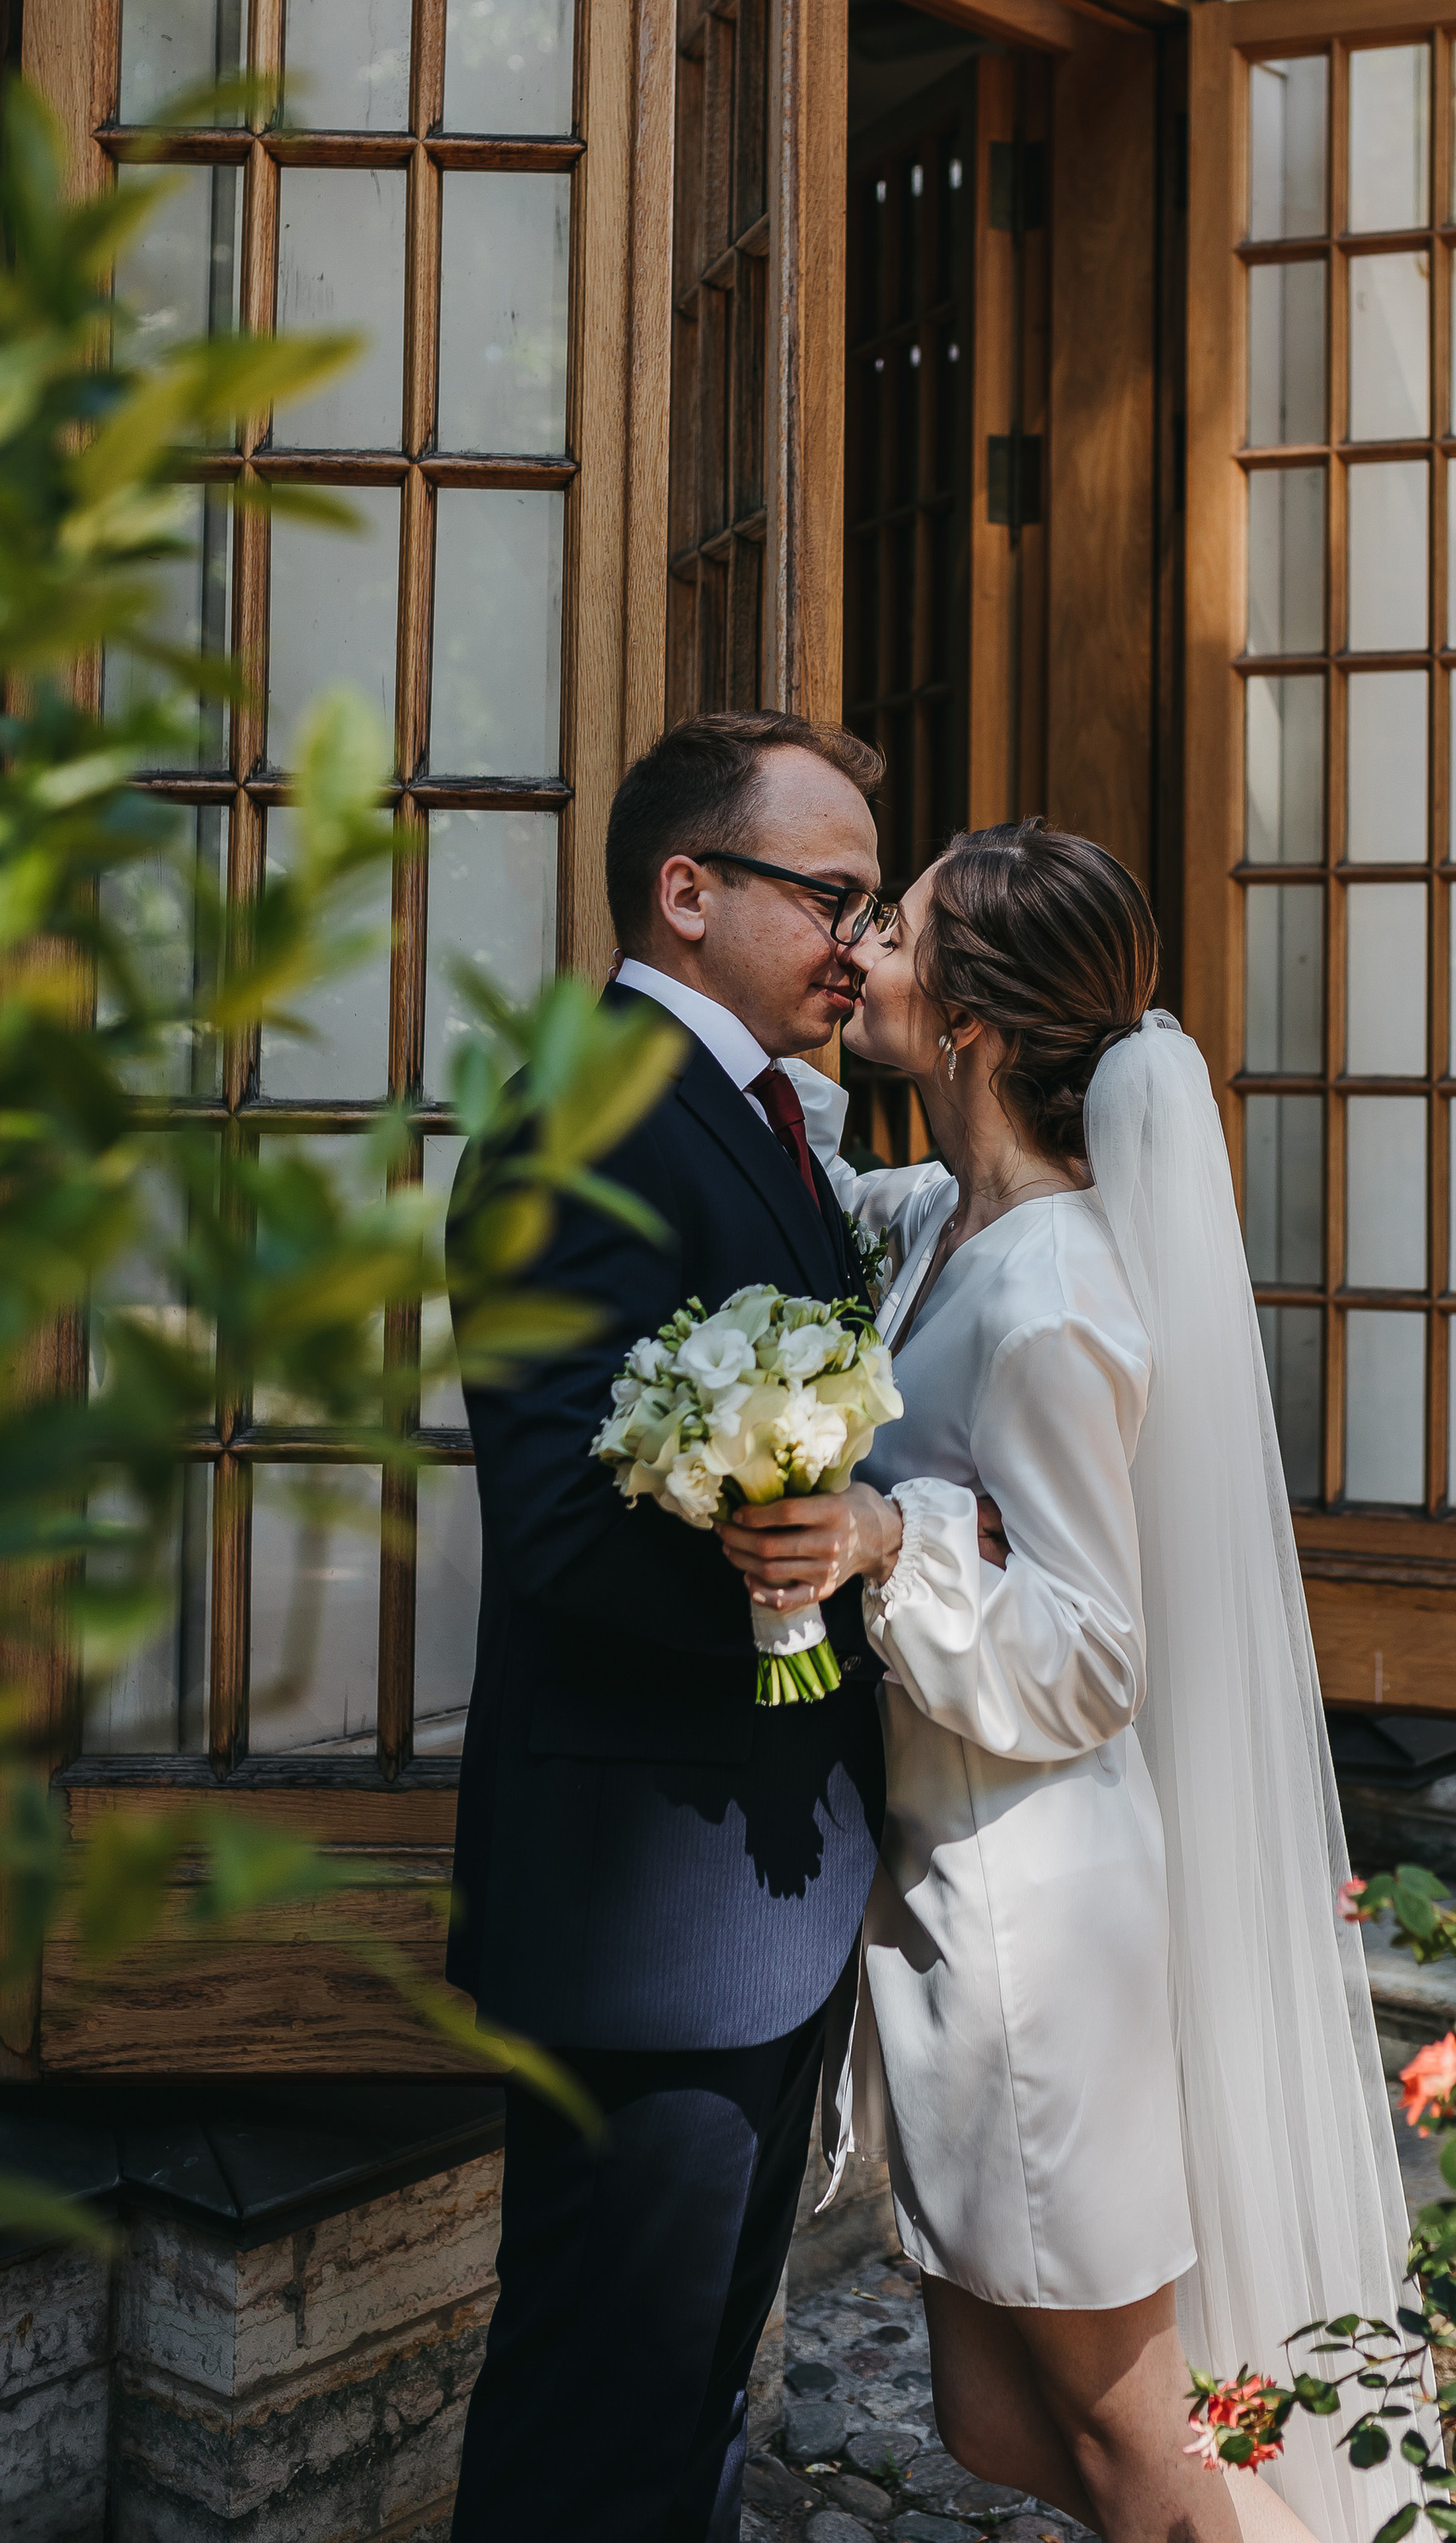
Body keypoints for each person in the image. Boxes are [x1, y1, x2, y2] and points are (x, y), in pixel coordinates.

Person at [722, 822, 1411, 2543]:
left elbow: (1097, 1653)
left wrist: (891, 1540)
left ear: (964, 1017)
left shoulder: (1048, 1298)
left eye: (894, 928)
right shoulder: (951, 1223)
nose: (861, 947)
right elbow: (847, 1189)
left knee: (1130, 2451)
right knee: (993, 2419)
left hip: (1041, 1928)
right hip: (952, 1897)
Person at [449, 710, 903, 2543]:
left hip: (761, 1894)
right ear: (686, 888)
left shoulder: (766, 1123)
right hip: (649, 1902)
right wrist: (813, 1594)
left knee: (697, 2399)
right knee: (597, 2423)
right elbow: (564, 1526)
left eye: (871, 907)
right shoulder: (586, 1111)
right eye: (832, 897)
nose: (859, 947)